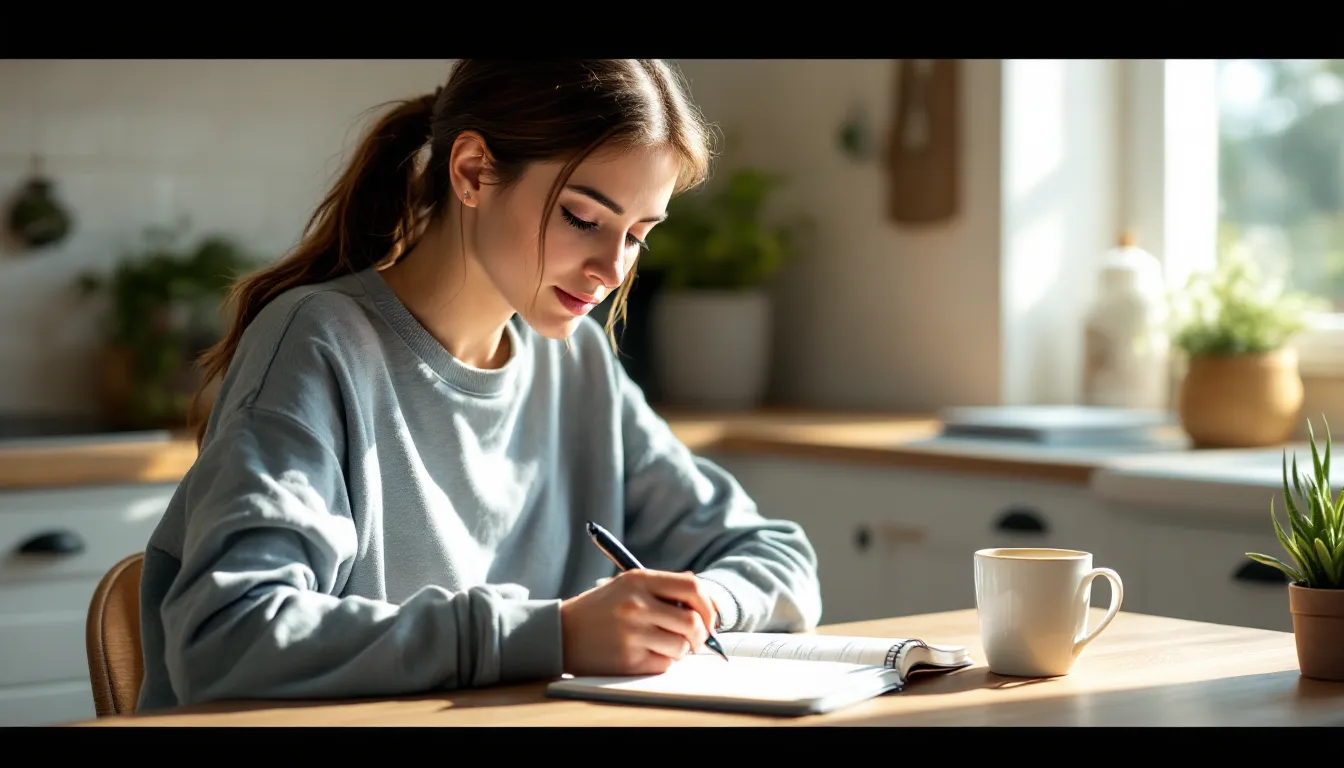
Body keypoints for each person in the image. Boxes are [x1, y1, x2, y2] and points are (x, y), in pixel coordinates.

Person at [135, 59, 823, 712]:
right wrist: (551, 635)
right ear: (472, 172)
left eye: (638, 234)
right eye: (583, 218)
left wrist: (693, 606)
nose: (612, 268)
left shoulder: (575, 361)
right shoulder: (319, 342)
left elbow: (779, 557)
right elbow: (228, 636)